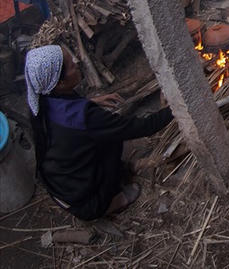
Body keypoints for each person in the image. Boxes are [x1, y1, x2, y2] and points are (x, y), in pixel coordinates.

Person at [25, 44, 173, 220]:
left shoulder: (41, 100)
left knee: (105, 134)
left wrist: (90, 102)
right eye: (71, 65)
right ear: (60, 82)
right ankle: (113, 201)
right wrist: (175, 107)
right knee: (112, 139)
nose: (77, 62)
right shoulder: (87, 118)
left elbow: (67, 114)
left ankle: (118, 174)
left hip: (60, 186)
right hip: (83, 202)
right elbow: (142, 127)